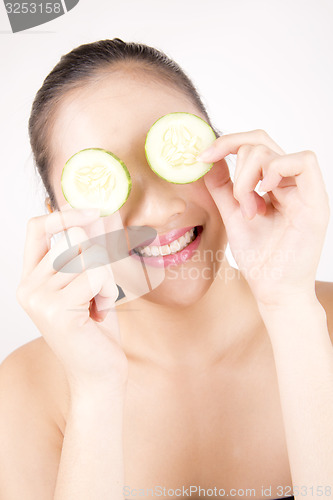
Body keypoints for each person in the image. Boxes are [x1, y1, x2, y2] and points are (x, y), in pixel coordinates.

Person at [0, 38, 332, 500]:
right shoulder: (22, 392)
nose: (156, 210)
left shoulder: (322, 320)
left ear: (224, 151)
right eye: (102, 182)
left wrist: (290, 307)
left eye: (176, 156)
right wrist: (96, 393)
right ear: (58, 214)